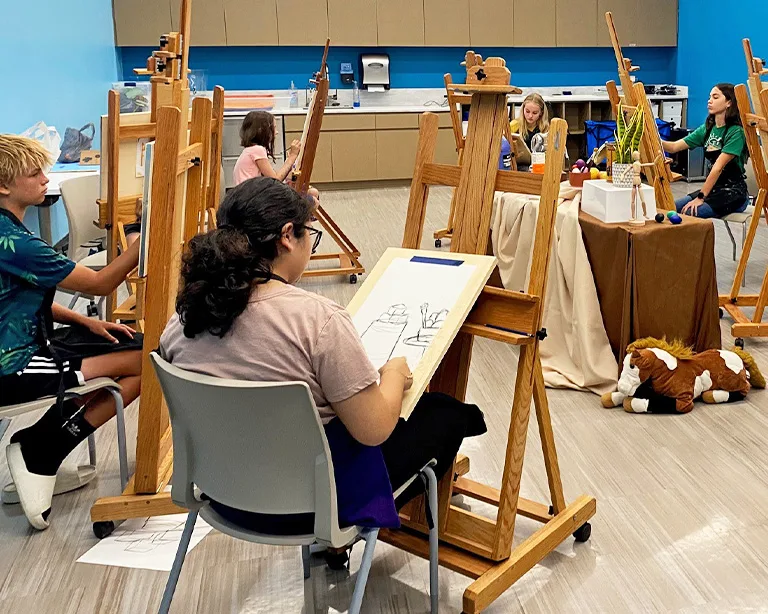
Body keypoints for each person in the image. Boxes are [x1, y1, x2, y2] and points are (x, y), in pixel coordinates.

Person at [160, 177, 486, 535]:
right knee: (447, 414)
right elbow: (375, 429)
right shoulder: (317, 319)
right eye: (310, 237)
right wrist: (394, 373)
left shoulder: (183, 320)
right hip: (314, 508)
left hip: (224, 496)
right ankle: (362, 533)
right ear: (287, 236)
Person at [0, 134, 142, 530]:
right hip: (12, 367)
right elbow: (101, 284)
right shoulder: (15, 243)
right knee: (147, 361)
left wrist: (85, 321)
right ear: (4, 186)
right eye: (35, 173)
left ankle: (39, 444)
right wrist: (143, 232)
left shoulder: (8, 232)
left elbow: (17, 299)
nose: (45, 179)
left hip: (28, 344)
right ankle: (43, 450)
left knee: (134, 345)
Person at [662, 83, 750, 218]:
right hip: (714, 189)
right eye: (710, 97)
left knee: (687, 213)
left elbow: (717, 168)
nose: (710, 101)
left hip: (733, 193)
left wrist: (701, 197)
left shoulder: (736, 132)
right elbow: (673, 147)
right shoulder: (708, 128)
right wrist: (650, 137)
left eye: (715, 97)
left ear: (729, 103)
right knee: (669, 208)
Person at [233, 110, 320, 204]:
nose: (277, 132)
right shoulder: (257, 150)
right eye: (274, 128)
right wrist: (292, 156)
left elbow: (273, 179)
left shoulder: (252, 150)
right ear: (261, 130)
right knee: (312, 201)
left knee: (312, 193)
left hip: (251, 198)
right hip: (251, 202)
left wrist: (290, 165)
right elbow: (275, 180)